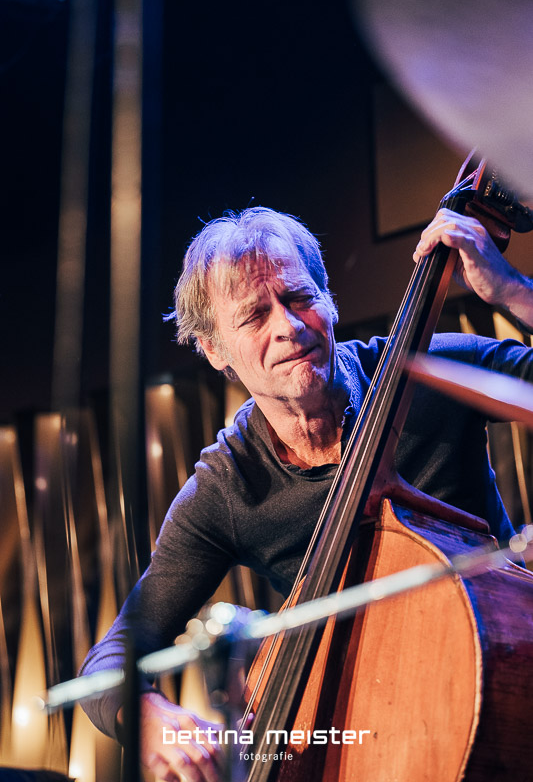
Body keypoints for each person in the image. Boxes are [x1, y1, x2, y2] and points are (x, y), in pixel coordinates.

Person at [80, 205, 533, 782]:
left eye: (299, 297)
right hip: (365, 745)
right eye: (254, 316)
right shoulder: (227, 485)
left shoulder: (429, 369)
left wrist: (513, 292)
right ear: (213, 349)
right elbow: (109, 659)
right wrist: (149, 719)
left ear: (329, 300)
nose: (288, 326)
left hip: (508, 683)